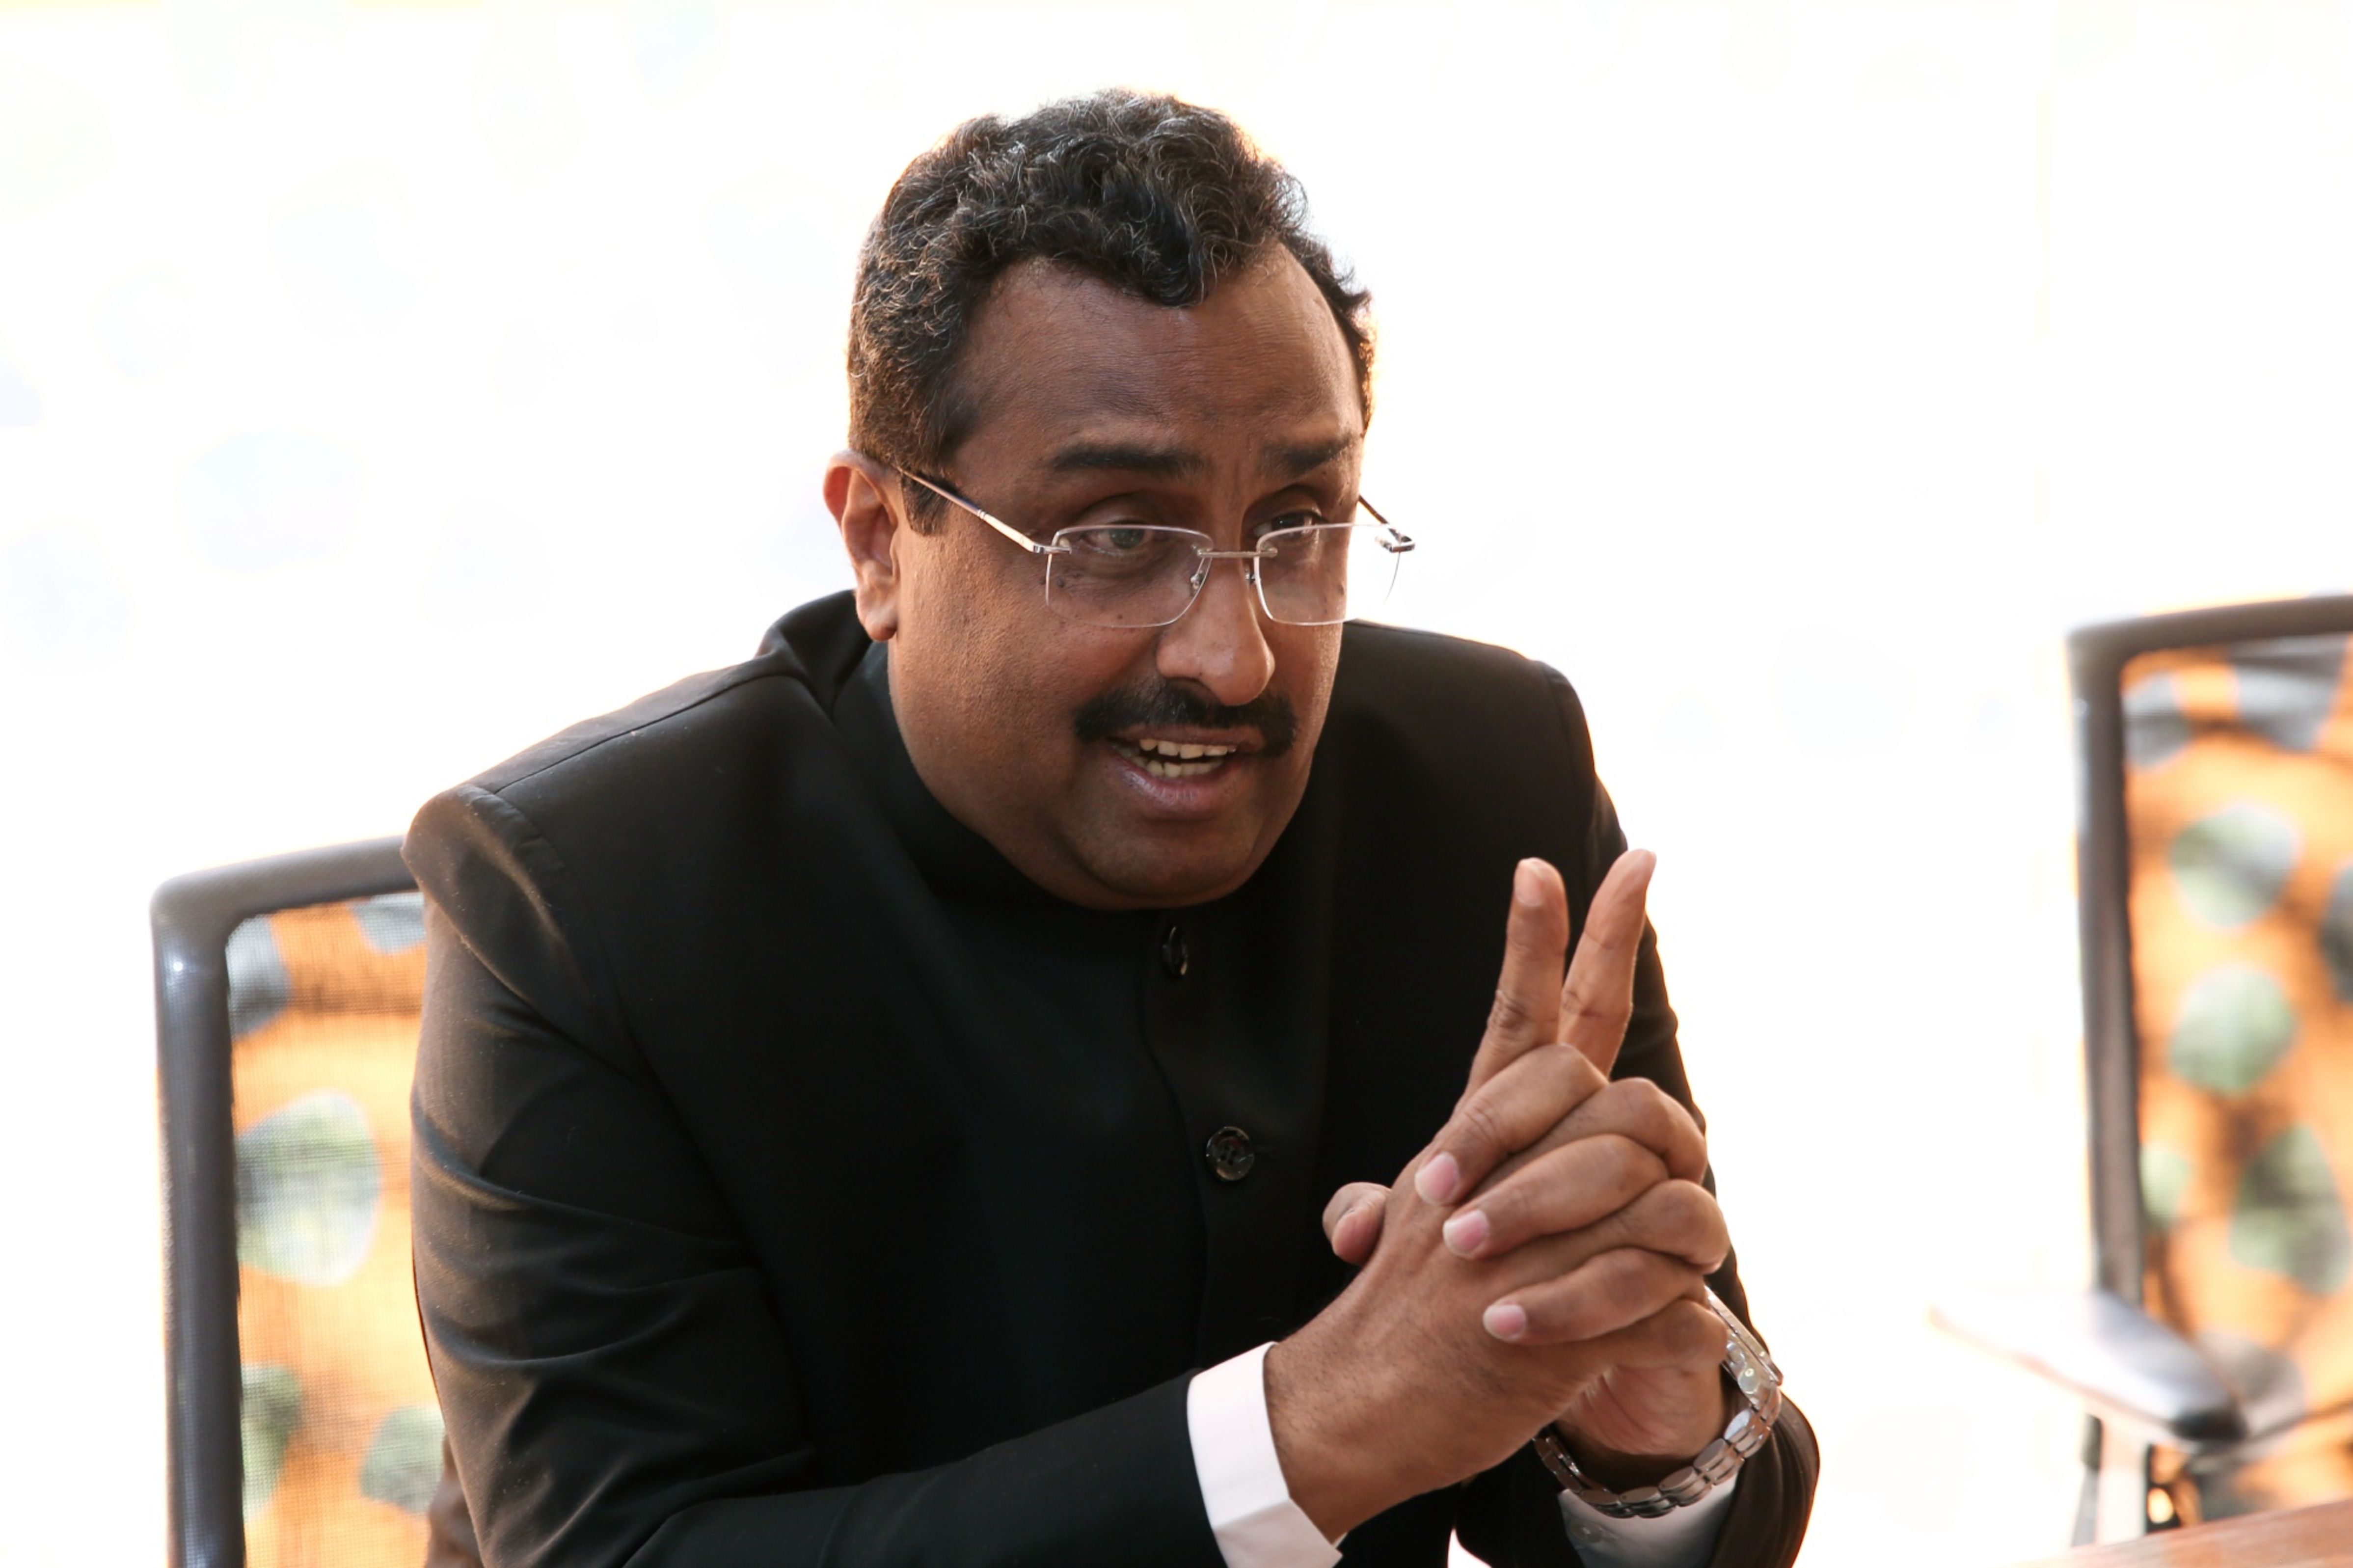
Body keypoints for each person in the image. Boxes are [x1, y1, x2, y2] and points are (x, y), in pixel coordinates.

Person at [407, 90, 1818, 1568]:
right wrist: (1310, 1430)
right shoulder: (582, 903)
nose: (1236, 658)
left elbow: (1698, 1466)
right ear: (881, 541)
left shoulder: (1485, 782)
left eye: (1300, 524)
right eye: (1120, 537)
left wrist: (1644, 1444)